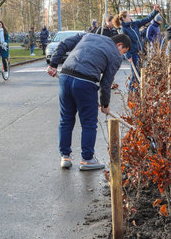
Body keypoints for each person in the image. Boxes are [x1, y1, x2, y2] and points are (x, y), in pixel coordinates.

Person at [46, 33, 132, 170]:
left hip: (65, 77)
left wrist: (53, 64)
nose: (122, 55)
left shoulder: (88, 35)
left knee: (66, 119)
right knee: (89, 122)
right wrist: (105, 104)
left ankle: (65, 157)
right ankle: (87, 159)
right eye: (124, 52)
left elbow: (63, 44)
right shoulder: (115, 55)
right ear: (119, 45)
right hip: (86, 82)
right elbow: (106, 82)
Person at [113, 5, 160, 88]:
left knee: (140, 75)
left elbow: (147, 19)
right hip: (133, 54)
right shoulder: (123, 30)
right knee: (135, 75)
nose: (130, 17)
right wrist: (127, 55)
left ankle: (136, 93)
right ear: (124, 18)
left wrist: (155, 11)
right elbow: (123, 44)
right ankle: (131, 93)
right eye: (128, 16)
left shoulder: (135, 24)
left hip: (140, 52)